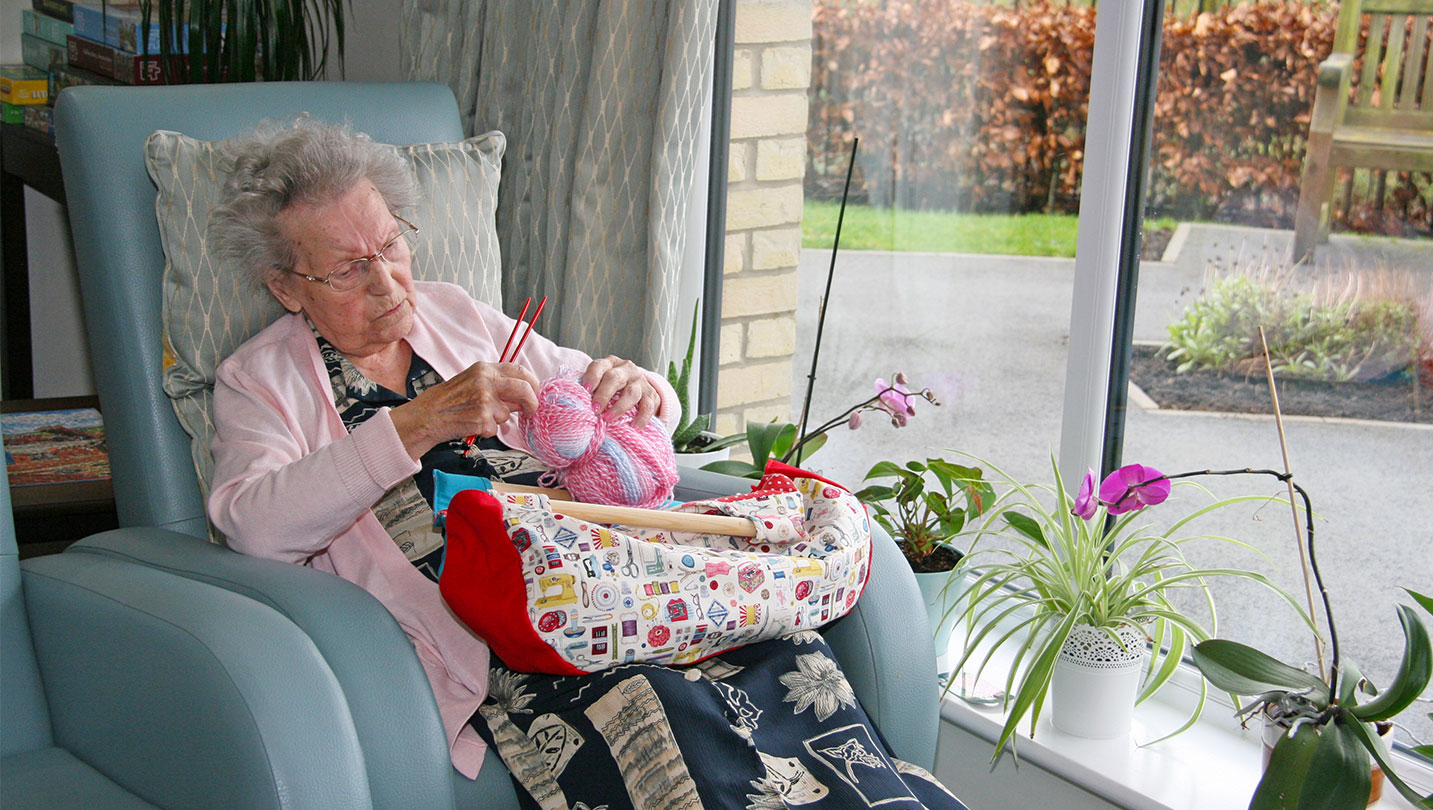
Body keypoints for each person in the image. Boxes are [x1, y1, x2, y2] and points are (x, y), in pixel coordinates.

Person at [207, 118, 965, 810]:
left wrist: (643, 389)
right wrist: (414, 424)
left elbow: (606, 397)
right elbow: (254, 525)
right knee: (658, 710)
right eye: (346, 270)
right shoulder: (259, 380)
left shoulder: (456, 312)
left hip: (614, 580)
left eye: (392, 245)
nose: (388, 282)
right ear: (285, 287)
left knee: (782, 649)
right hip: (515, 631)